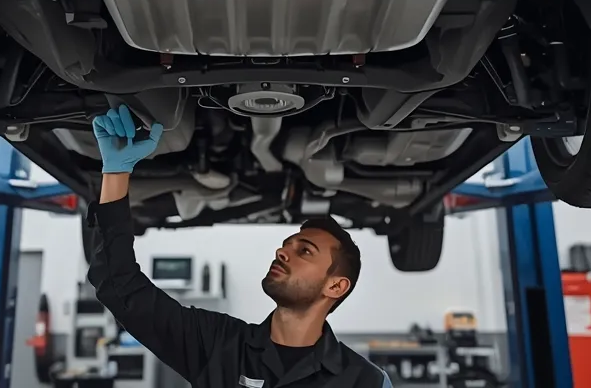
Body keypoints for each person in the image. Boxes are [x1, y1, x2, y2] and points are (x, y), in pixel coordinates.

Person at [85, 105, 393, 388]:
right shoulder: (216, 343)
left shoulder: (365, 382)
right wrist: (115, 172)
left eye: (305, 251)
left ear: (336, 286)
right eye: (287, 245)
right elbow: (119, 285)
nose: (281, 252)